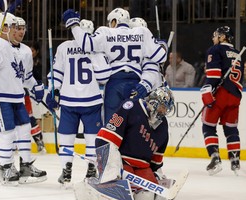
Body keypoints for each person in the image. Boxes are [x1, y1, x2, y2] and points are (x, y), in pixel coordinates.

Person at [73, 87, 175, 200]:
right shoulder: (131, 107)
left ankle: (128, 190)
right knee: (115, 178)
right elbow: (106, 137)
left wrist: (157, 176)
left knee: (148, 194)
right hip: (121, 161)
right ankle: (93, 188)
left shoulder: (163, 127)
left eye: (166, 109)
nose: (163, 112)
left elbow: (156, 159)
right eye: (162, 107)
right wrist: (111, 165)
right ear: (154, 102)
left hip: (141, 165)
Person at [0, 12, 47, 185]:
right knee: (6, 131)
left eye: (19, 27)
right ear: (3, 27)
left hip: (17, 95)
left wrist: (36, 87)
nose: (17, 31)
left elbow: (24, 76)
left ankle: (25, 165)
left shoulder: (21, 51)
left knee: (24, 127)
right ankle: (5, 168)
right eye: (13, 27)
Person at [62, 8, 168, 124]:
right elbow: (161, 57)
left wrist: (74, 25)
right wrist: (160, 44)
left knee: (111, 127)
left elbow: (86, 44)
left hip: (114, 84)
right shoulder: (142, 32)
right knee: (133, 127)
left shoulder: (105, 32)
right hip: (136, 85)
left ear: (114, 21)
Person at [45, 19, 111, 185]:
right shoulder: (97, 49)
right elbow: (104, 77)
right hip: (92, 101)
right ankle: (91, 169)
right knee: (92, 137)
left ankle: (66, 171)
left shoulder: (64, 47)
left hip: (68, 101)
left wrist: (53, 91)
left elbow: (56, 73)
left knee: (66, 137)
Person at [200, 26, 244, 176]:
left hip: (220, 94)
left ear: (222, 37)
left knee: (208, 127)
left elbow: (213, 75)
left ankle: (215, 158)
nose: (213, 39)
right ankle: (235, 160)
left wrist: (207, 90)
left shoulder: (215, 50)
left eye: (215, 35)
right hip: (235, 95)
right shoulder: (238, 53)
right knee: (231, 129)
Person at [12, 17, 46, 154]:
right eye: (18, 29)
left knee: (28, 119)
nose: (21, 31)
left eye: (22, 29)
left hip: (24, 93)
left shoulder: (29, 57)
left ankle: (38, 141)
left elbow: (30, 77)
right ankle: (13, 145)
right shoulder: (15, 53)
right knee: (16, 121)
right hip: (15, 93)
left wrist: (36, 87)